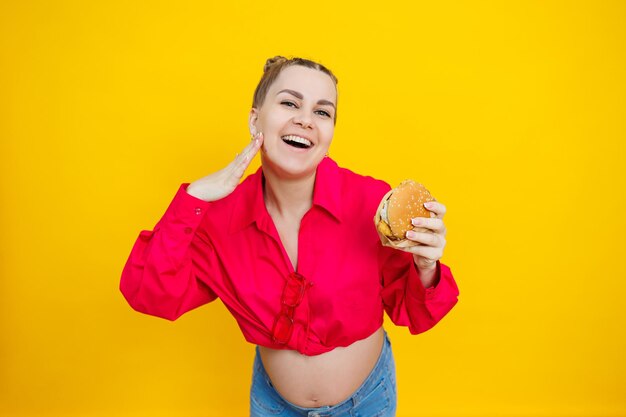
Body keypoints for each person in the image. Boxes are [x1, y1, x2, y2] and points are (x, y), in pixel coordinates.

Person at [120, 56, 459, 417]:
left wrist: (426, 266)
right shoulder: (219, 220)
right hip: (272, 405)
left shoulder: (370, 202)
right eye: (289, 103)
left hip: (368, 402)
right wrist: (192, 200)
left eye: (322, 112)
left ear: (330, 133)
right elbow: (151, 296)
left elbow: (415, 313)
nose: (305, 120)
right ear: (255, 119)